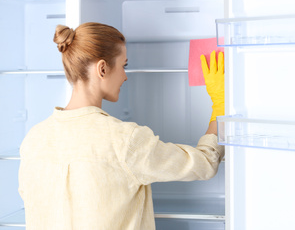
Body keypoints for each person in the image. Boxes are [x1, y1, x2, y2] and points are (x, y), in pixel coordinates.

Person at [18, 22, 225, 230]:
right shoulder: (124, 140)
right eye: (123, 65)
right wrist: (220, 106)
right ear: (102, 68)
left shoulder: (34, 139)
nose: (125, 76)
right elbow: (205, 163)